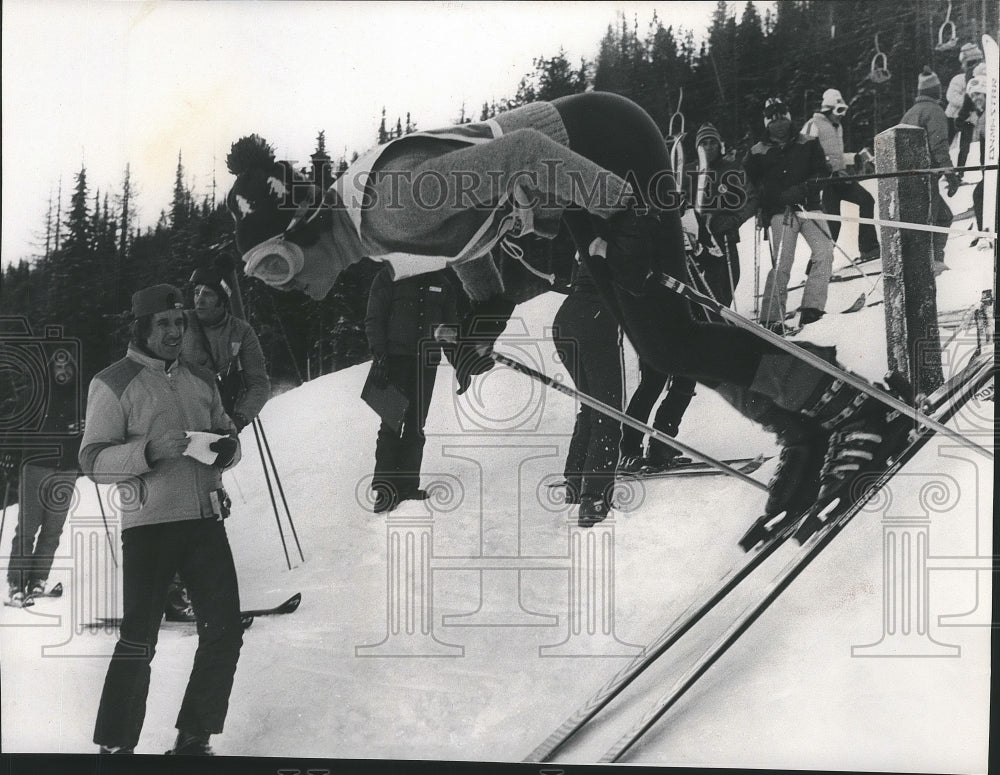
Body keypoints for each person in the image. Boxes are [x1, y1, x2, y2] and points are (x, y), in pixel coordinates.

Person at [224, 91, 905, 539]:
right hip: (585, 170)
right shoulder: (372, 231)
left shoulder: (389, 204)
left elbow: (521, 155)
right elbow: (473, 250)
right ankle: (809, 426)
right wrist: (480, 323)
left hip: (602, 147)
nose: (290, 293)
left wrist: (625, 214)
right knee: (669, 336)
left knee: (665, 338)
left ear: (302, 231)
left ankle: (850, 410)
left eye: (277, 271)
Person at [80, 284, 243, 756]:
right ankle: (116, 746)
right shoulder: (112, 382)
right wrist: (149, 452)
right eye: (164, 324)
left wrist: (228, 450)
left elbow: (228, 438)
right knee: (139, 640)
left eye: (180, 322)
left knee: (225, 630)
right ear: (143, 327)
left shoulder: (201, 379)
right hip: (149, 524)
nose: (174, 332)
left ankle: (195, 736)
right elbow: (92, 460)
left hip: (204, 519)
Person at [159, 259, 270, 622]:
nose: (200, 299)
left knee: (210, 505)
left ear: (224, 299)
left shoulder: (242, 331)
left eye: (209, 293)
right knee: (183, 503)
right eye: (196, 292)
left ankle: (190, 590)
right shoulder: (180, 322)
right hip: (177, 425)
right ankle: (178, 591)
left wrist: (236, 421)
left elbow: (259, 384)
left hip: (217, 427)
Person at [364, 266, 458, 514]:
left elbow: (451, 328)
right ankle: (385, 490)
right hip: (394, 361)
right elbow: (374, 317)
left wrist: (461, 366)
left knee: (416, 425)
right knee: (391, 423)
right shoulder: (389, 274)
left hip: (426, 363)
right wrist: (380, 355)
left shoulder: (442, 281)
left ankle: (407, 486)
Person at [743, 97, 834, 332]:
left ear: (789, 119)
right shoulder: (756, 152)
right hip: (779, 212)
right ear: (766, 124)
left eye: (782, 118)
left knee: (824, 252)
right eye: (773, 120)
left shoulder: (809, 143)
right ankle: (771, 317)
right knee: (783, 261)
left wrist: (803, 189)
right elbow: (752, 186)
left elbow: (822, 172)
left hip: (809, 206)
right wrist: (773, 198)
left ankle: (812, 308)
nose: (779, 124)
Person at [5, 349, 82, 605]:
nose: (62, 373)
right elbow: (14, 428)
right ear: (50, 371)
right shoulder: (34, 395)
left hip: (67, 469)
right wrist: (9, 457)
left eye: (67, 369)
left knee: (53, 529)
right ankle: (17, 582)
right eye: (58, 368)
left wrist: (82, 436)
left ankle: (38, 579)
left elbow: (89, 433)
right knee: (28, 527)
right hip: (36, 465)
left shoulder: (79, 400)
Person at [552, 259, 623, 525]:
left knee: (591, 404)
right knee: (609, 411)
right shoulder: (632, 227)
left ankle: (574, 479)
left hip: (567, 316)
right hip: (598, 316)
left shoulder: (591, 230)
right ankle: (594, 499)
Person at [802, 89, 880, 263]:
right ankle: (816, 266)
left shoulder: (837, 127)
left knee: (866, 200)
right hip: (825, 180)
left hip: (840, 177)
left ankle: (869, 248)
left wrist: (853, 158)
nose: (841, 115)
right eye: (838, 111)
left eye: (843, 110)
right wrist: (819, 167)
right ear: (827, 110)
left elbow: (837, 156)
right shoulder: (813, 124)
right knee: (833, 222)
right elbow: (803, 153)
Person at [900, 67, 962, 276]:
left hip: (906, 176)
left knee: (940, 217)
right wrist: (950, 174)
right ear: (935, 90)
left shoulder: (910, 112)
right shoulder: (934, 111)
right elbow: (939, 146)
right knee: (934, 220)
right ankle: (928, 265)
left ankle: (930, 261)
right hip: (924, 177)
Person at [945, 42, 985, 141]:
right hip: (955, 115)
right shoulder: (959, 78)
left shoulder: (977, 77)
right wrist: (971, 103)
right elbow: (952, 96)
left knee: (965, 146)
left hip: (968, 118)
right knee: (949, 140)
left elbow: (970, 97)